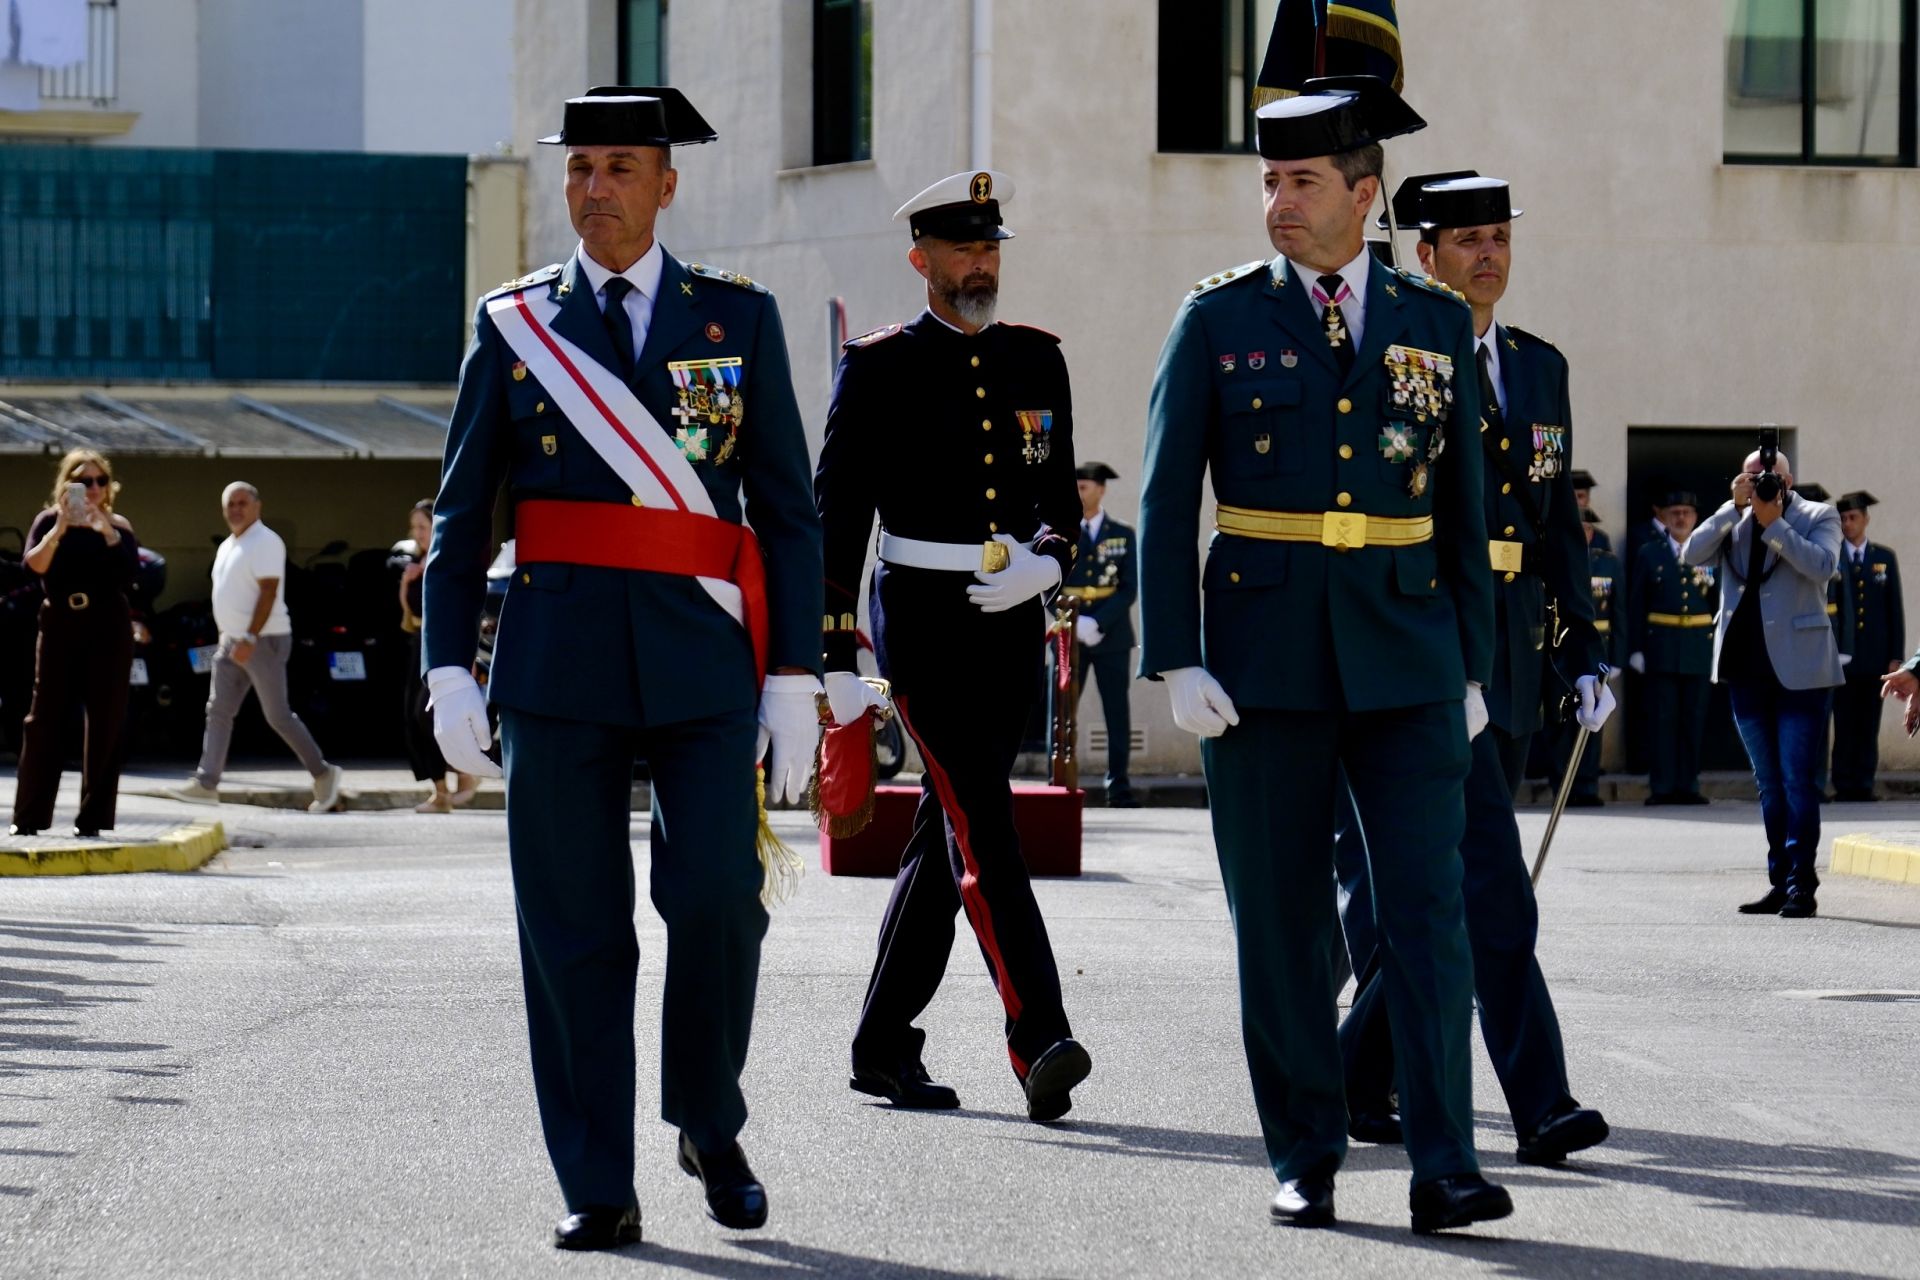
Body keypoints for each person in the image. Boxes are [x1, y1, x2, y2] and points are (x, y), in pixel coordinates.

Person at [421, 87, 823, 1250]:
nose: (594, 187)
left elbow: (788, 514)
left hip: (704, 661)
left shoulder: (736, 320)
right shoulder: (515, 324)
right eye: (580, 166)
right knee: (573, 926)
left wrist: (795, 671)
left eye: (618, 166)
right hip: (557, 660)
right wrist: (448, 663)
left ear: (666, 183)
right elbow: (459, 515)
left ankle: (707, 1115)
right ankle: (598, 1176)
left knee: (716, 903)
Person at [1138, 76, 1510, 1233]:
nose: (1278, 203)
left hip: (1407, 656)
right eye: (1268, 180)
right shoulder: (1219, 318)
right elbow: (1162, 499)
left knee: (1429, 913)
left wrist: (1474, 667)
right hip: (1260, 660)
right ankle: (1304, 1147)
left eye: (1302, 182)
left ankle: (1445, 1158)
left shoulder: (1434, 319)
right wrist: (1174, 655)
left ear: (1365, 192)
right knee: (1284, 919)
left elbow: (1464, 508)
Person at [1332, 172, 1612, 1171]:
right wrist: (1433, 651)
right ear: (1426, 256)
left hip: (1513, 643)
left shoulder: (1539, 368)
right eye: (1468, 240)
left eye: (1500, 236)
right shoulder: (1393, 357)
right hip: (1425, 644)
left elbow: (1559, 528)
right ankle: (1541, 1102)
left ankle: (1356, 1073)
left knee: (1440, 893)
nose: (1489, 254)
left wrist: (1585, 645)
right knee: (1488, 882)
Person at [816, 169, 1092, 1124]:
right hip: (922, 617)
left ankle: (882, 1042)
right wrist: (834, 653)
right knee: (985, 817)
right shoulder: (881, 364)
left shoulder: (1037, 359)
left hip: (1010, 612)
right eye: (964, 249)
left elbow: (1060, 503)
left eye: (992, 247)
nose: (982, 263)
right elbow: (837, 516)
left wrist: (1045, 566)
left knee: (948, 830)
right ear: (920, 260)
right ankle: (1039, 1034)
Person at [1682, 449, 1843, 918]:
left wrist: (1774, 524)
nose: (1760, 485)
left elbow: (1822, 566)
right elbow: (1691, 553)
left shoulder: (1818, 515)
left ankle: (1802, 885)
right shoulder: (1734, 517)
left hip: (1801, 669)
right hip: (1746, 667)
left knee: (1797, 780)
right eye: (1751, 477)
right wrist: (1733, 509)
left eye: (1767, 478)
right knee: (1769, 784)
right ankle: (1779, 879)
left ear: (1788, 481)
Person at [159, 482, 344, 814]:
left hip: (263, 640)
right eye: (230, 503)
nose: (236, 509)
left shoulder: (266, 540)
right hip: (231, 641)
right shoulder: (229, 545)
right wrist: (229, 636)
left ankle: (324, 772)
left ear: (258, 506)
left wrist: (250, 638)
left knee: (277, 715)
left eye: (243, 502)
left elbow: (269, 592)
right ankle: (206, 783)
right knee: (218, 711)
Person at [7, 450, 140, 839]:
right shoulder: (49, 521)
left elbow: (132, 573)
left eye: (100, 481)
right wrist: (62, 526)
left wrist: (108, 533)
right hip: (61, 620)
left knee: (105, 718)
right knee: (44, 716)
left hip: (108, 624)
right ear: (67, 485)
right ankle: (29, 817)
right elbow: (34, 566)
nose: (94, 489)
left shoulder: (118, 525)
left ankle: (93, 819)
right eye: (84, 481)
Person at [1053, 460, 1139, 807]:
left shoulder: (1122, 535)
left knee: (1117, 711)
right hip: (1067, 632)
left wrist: (1098, 623)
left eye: (1084, 487)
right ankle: (1056, 781)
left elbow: (1129, 588)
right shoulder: (1058, 533)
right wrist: (1072, 620)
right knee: (1060, 711)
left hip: (1111, 635)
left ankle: (1118, 787)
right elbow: (1048, 585)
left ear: (1100, 489)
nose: (1078, 493)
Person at [1627, 492, 1714, 805]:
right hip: (1661, 647)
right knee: (1662, 721)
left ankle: (1688, 785)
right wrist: (1635, 647)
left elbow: (1720, 603)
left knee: (1693, 720)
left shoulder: (1709, 552)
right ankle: (1662, 786)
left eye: (1687, 513)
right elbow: (1636, 603)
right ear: (1663, 516)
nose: (1681, 518)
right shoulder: (1650, 553)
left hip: (1698, 649)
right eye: (1674, 512)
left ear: (1696, 518)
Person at [396, 499, 477, 813]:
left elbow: (462, 609)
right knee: (411, 717)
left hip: (445, 644)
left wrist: (465, 654)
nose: (417, 534)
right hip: (420, 642)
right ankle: (440, 791)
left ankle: (465, 774)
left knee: (427, 713)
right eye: (414, 528)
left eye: (423, 527)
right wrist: (406, 584)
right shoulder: (418, 564)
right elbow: (408, 617)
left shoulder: (446, 563)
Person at [1831, 491, 1902, 801]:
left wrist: (1896, 657)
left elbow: (1894, 610)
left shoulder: (1883, 558)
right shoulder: (1833, 556)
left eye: (1853, 518)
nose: (1848, 524)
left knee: (1868, 723)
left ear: (1865, 519)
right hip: (1844, 657)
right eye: (1844, 519)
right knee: (1844, 722)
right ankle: (1844, 783)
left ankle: (1864, 783)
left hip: (1875, 657)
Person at [1555, 508, 1621, 806]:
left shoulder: (1605, 562)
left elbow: (1620, 611)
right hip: (1562, 648)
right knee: (1563, 722)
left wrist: (1618, 656)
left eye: (1584, 529)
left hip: (1598, 648)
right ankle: (1563, 785)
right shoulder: (1556, 561)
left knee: (1594, 720)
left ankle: (1587, 785)